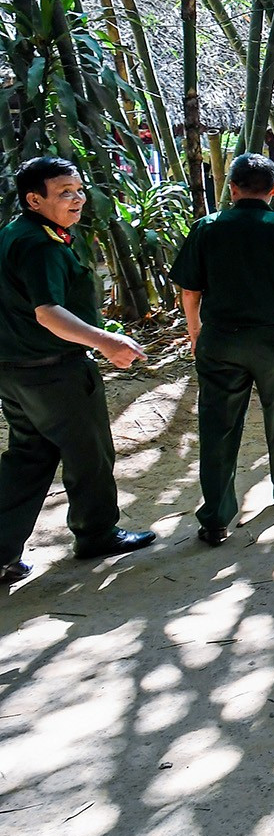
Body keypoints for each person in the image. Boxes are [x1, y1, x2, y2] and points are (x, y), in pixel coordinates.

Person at [0, 157, 153, 583]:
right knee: (89, 453)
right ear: (34, 199)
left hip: (16, 370)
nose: (77, 199)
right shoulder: (40, 244)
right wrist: (105, 341)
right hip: (55, 372)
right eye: (64, 192)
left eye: (79, 189)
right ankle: (96, 533)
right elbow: (48, 312)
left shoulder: (17, 233)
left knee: (29, 458)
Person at [170, 153, 274, 546]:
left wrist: (196, 332)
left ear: (232, 188)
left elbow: (190, 291)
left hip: (220, 340)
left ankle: (216, 518)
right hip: (273, 340)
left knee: (217, 427)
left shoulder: (206, 227)